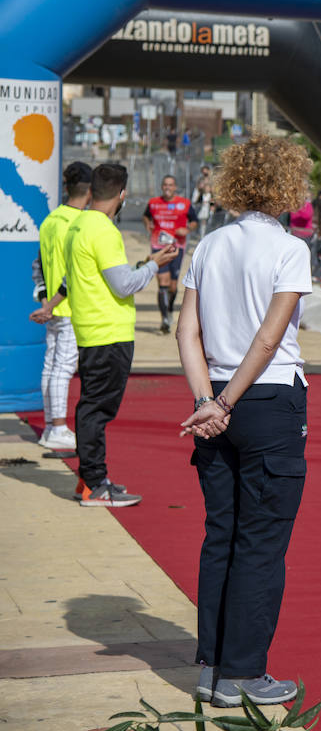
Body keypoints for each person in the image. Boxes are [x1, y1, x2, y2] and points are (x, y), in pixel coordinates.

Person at [174, 133, 314, 709]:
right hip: (267, 401)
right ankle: (243, 674)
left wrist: (207, 399)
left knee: (220, 537)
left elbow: (188, 331)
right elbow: (269, 337)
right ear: (288, 185)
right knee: (261, 543)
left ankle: (211, 666)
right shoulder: (289, 248)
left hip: (216, 400)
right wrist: (226, 401)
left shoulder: (209, 245)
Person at [65, 163, 178, 506]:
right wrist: (153, 266)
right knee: (96, 411)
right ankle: (95, 484)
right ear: (122, 194)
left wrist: (146, 262)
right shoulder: (103, 230)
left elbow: (90, 278)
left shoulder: (79, 225)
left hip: (92, 329)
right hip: (107, 333)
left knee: (92, 408)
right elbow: (123, 284)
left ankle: (90, 480)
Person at [28, 161, 93, 452]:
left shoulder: (50, 220)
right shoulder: (78, 224)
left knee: (51, 366)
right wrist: (52, 303)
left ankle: (51, 426)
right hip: (67, 308)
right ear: (90, 190)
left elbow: (38, 265)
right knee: (63, 369)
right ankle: (56, 427)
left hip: (53, 307)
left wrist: (45, 302)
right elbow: (74, 272)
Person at [142, 174, 197, 334]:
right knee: (162, 281)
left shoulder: (184, 204)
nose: (167, 187)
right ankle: (164, 318)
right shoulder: (153, 203)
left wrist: (187, 229)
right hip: (158, 245)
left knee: (173, 286)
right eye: (165, 184)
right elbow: (146, 216)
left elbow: (194, 221)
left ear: (175, 187)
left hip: (177, 246)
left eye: (170, 185)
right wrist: (148, 224)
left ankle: (170, 308)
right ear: (161, 187)